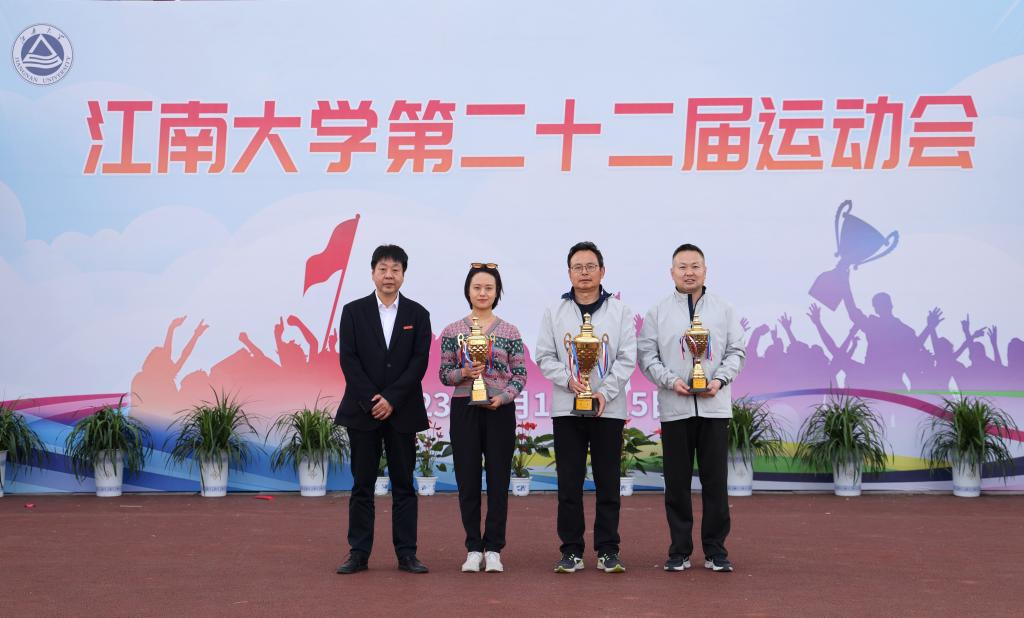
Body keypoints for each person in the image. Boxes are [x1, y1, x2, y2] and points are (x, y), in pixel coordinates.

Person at [637, 243, 745, 573]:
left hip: (714, 408)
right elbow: (647, 356)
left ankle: (716, 551)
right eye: (682, 267)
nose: (689, 272)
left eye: (695, 266)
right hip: (676, 408)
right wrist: (670, 381)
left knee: (716, 484)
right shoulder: (658, 312)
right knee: (676, 484)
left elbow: (737, 351)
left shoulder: (724, 309)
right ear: (672, 272)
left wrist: (720, 380)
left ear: (705, 270)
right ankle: (679, 551)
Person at [535, 241, 636, 574]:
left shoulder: (620, 311)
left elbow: (627, 358)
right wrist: (569, 381)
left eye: (590, 266)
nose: (584, 273)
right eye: (577, 267)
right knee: (569, 483)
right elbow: (544, 356)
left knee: (608, 482)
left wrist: (604, 392)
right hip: (567, 408)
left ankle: (608, 550)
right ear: (569, 273)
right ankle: (571, 551)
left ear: (602, 271)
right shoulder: (554, 312)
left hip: (608, 408)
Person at [334, 245, 432, 575]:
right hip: (363, 412)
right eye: (383, 269)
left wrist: (392, 399)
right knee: (362, 485)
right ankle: (358, 553)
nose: (389, 275)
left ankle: (407, 554)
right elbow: (349, 360)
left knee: (404, 485)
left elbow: (419, 362)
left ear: (404, 274)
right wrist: (373, 399)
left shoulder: (418, 314)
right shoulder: (353, 311)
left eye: (395, 270)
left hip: (402, 412)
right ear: (373, 272)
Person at [438, 263, 527, 573]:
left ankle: (494, 549)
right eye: (477, 287)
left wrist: (503, 397)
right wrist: (463, 372)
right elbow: (443, 374)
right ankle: (473, 548)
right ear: (468, 291)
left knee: (499, 480)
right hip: (464, 408)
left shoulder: (510, 331)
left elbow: (520, 374)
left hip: (499, 410)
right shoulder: (452, 331)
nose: (483, 293)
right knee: (468, 480)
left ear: (497, 292)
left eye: (489, 288)